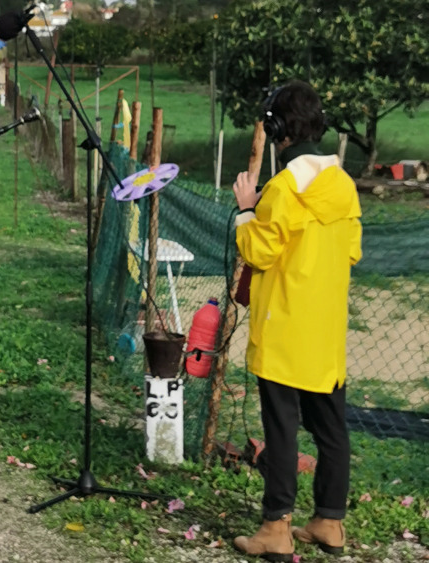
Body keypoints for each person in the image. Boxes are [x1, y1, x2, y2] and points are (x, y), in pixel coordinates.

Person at [231, 80, 363, 561]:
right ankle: (329, 520)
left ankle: (275, 529)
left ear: (276, 128)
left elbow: (259, 252)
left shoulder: (282, 189)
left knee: (282, 430)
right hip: (325, 333)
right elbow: (352, 251)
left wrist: (247, 209)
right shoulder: (344, 186)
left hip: (284, 329)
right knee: (331, 430)